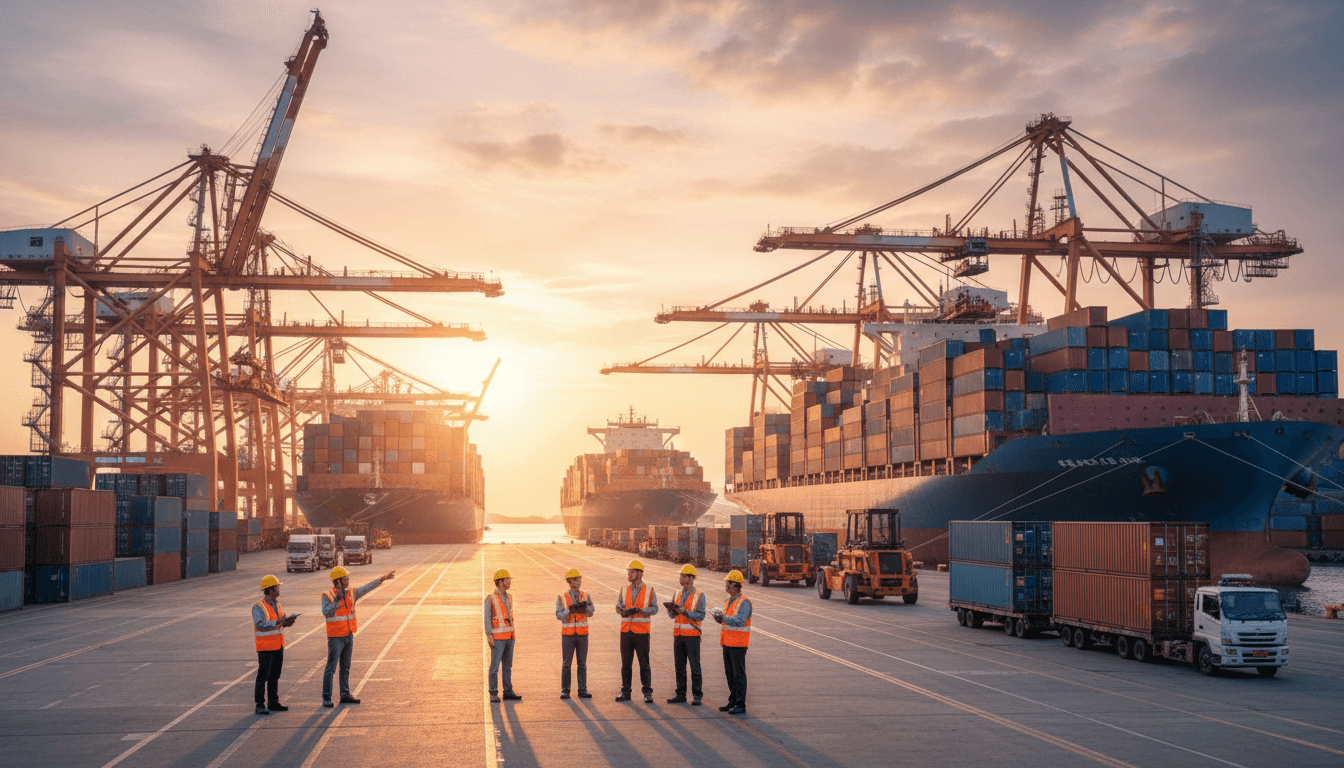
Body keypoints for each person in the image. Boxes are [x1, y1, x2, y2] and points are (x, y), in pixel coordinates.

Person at [321, 565, 395, 708]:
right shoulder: (327, 595)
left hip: (348, 634)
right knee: (331, 668)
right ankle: (326, 698)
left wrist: (382, 579)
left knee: (345, 667)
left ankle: (345, 694)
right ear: (337, 582)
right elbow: (326, 612)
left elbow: (366, 588)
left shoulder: (351, 593)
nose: (348, 581)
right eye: (345, 579)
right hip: (335, 637)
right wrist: (337, 601)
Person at [253, 574, 298, 715]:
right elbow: (261, 625)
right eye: (277, 587)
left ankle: (273, 702)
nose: (279, 590)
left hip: (278, 646)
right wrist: (279, 623)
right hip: (265, 648)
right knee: (263, 677)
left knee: (274, 676)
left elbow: (281, 620)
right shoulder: (258, 607)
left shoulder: (277, 604)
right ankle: (259, 704)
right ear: (270, 590)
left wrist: (288, 621)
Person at [614, 559, 658, 703]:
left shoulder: (649, 590)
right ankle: (625, 692)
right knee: (625, 664)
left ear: (640, 574)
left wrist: (642, 611)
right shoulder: (623, 589)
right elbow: (618, 607)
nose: (629, 574)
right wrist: (624, 611)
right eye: (628, 571)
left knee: (644, 663)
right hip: (626, 631)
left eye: (632, 571)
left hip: (642, 632)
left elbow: (654, 608)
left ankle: (647, 692)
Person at [664, 563, 706, 705]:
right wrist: (671, 610)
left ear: (691, 578)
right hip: (678, 635)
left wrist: (685, 612)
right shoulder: (677, 593)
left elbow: (701, 615)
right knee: (679, 666)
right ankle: (680, 693)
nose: (681, 579)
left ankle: (697, 695)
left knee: (695, 666)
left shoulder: (699, 595)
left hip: (692, 636)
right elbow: (672, 616)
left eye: (683, 576)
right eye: (680, 576)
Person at [712, 569, 751, 715]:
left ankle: (740, 704)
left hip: (739, 644)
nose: (725, 586)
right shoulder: (727, 601)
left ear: (735, 585)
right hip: (727, 643)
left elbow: (740, 621)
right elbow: (727, 620)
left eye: (727, 583)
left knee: (738, 675)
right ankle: (733, 701)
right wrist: (719, 618)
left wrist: (723, 618)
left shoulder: (745, 602)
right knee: (730, 674)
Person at [555, 567, 594, 700]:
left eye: (579, 579)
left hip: (583, 634)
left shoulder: (586, 595)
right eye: (576, 580)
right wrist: (569, 611)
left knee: (582, 663)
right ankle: (565, 690)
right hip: (568, 635)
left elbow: (592, 611)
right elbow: (558, 615)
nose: (579, 582)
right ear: (570, 581)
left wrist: (585, 609)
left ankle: (582, 689)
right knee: (566, 663)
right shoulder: (562, 597)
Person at [486, 568, 521, 703]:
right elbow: (487, 619)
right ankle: (493, 693)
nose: (509, 582)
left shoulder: (509, 596)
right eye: (507, 580)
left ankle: (508, 691)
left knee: (507, 666)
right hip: (498, 639)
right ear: (500, 582)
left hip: (510, 637)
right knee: (494, 667)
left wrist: (512, 636)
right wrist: (489, 637)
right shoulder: (490, 599)